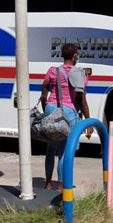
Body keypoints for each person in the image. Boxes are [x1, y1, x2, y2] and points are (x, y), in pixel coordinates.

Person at [39, 43, 90, 190]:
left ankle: (48, 183)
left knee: (50, 148)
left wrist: (46, 110)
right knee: (64, 150)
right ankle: (61, 186)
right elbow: (82, 100)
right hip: (68, 111)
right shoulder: (80, 73)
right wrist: (88, 122)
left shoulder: (52, 71)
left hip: (50, 108)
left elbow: (44, 91)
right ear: (75, 56)